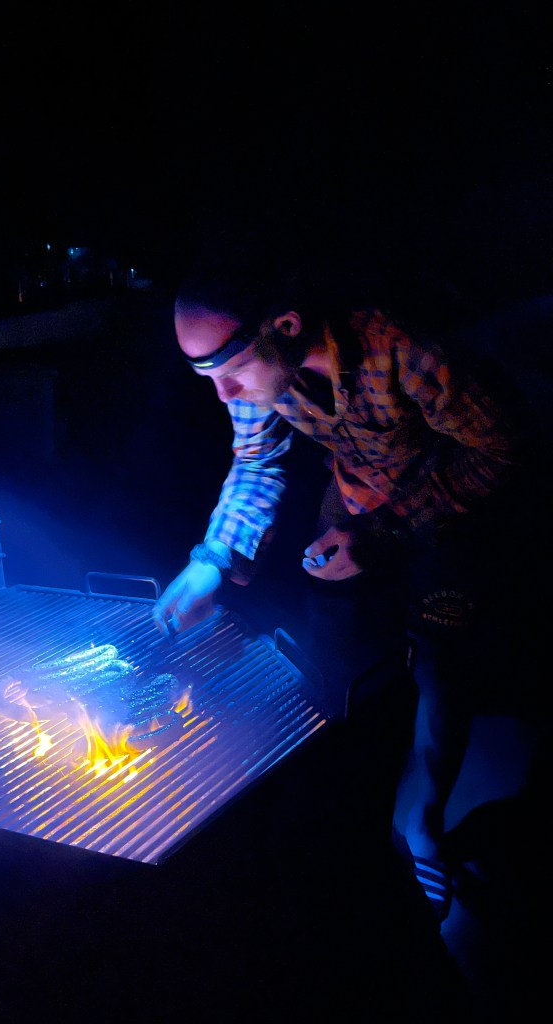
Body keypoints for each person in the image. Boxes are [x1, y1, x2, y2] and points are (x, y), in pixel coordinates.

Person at [152, 244, 536, 924]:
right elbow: (256, 460)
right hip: (354, 502)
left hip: (449, 508)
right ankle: (346, 820)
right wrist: (214, 556)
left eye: (230, 369)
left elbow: (501, 446)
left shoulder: (402, 349)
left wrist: (385, 531)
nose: (224, 393)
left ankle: (422, 820)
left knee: (441, 670)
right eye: (205, 374)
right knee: (335, 658)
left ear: (286, 326)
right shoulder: (261, 372)